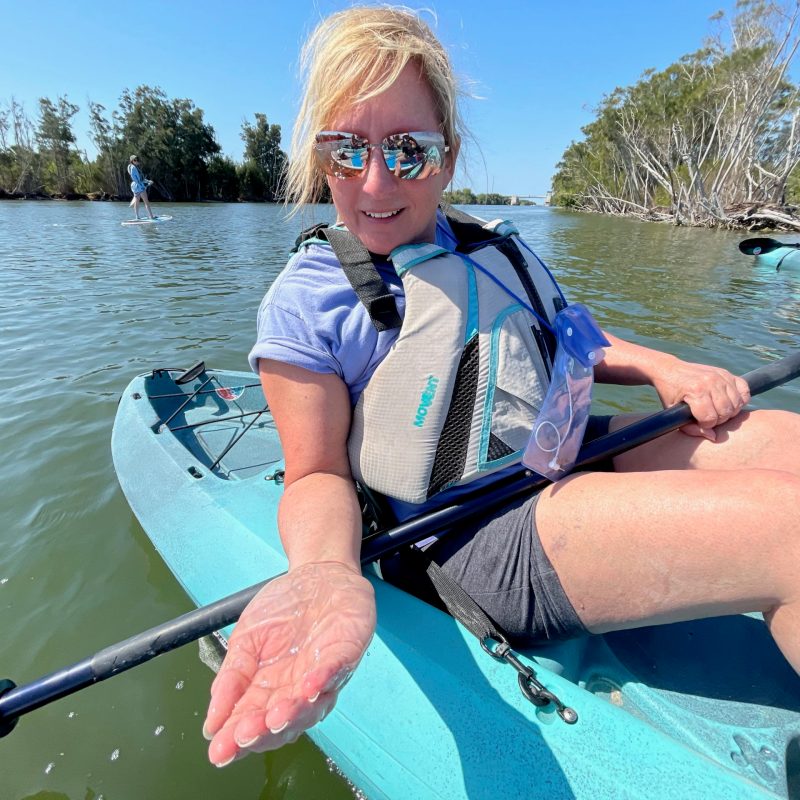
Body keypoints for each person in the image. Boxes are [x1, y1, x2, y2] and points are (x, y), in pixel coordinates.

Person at [202, 6, 800, 767]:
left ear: (447, 158)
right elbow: (315, 470)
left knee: (788, 442)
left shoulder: (487, 248)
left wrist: (662, 367)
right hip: (470, 533)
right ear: (323, 159)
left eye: (407, 151)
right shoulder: (311, 298)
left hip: (561, 450)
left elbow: (577, 338)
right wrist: (323, 570)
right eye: (346, 150)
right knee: (792, 526)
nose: (375, 179)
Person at [127, 155, 155, 220]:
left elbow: (141, 178)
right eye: (135, 160)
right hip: (139, 186)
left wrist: (148, 181)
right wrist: (143, 185)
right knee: (146, 202)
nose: (137, 161)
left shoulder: (134, 167)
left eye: (137, 159)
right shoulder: (133, 168)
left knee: (137, 201)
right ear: (132, 161)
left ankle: (137, 217)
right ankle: (151, 216)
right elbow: (136, 179)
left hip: (136, 187)